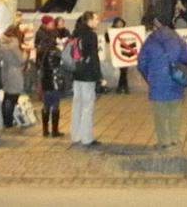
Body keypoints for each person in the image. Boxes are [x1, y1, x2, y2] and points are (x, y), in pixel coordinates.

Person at [137, 11, 187, 149]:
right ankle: (174, 138)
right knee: (175, 110)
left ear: (156, 24)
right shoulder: (177, 38)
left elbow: (141, 63)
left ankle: (164, 141)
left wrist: (149, 77)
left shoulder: (150, 41)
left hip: (157, 82)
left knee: (160, 114)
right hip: (175, 80)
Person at [70, 11, 102, 147]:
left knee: (77, 103)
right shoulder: (91, 35)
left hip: (76, 73)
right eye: (96, 19)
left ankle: (75, 135)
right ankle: (87, 138)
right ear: (89, 21)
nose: (98, 21)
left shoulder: (76, 33)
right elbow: (94, 56)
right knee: (88, 105)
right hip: (88, 74)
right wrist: (98, 76)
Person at [38, 23, 64, 138]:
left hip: (45, 79)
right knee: (55, 105)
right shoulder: (56, 51)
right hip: (55, 80)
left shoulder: (41, 51)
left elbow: (38, 64)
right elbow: (62, 63)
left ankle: (45, 130)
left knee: (46, 104)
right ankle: (54, 130)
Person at [0, 24, 28, 128]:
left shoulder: (2, 42)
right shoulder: (14, 43)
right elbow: (21, 59)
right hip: (15, 72)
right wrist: (25, 52)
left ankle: (6, 121)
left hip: (6, 70)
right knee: (13, 97)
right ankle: (9, 121)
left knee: (7, 96)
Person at [105, 17, 131, 94]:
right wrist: (108, 33)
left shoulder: (125, 31)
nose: (120, 24)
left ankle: (122, 86)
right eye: (118, 23)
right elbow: (107, 40)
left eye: (121, 23)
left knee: (124, 70)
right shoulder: (111, 31)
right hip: (115, 53)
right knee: (122, 70)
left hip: (124, 52)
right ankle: (123, 86)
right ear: (115, 23)